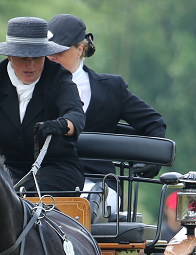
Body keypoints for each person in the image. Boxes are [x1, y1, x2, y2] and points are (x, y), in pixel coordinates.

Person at [0, 17, 86, 195]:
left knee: (32, 200)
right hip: (2, 167)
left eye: (37, 58)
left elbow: (75, 114)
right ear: (9, 56)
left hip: (55, 168)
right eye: (23, 58)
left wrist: (61, 125)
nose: (31, 65)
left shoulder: (59, 77)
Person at [47, 14, 166, 180]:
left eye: (59, 50)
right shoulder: (31, 86)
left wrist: (154, 158)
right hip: (44, 181)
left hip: (97, 183)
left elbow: (154, 122)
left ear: (79, 50)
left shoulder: (110, 88)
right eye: (48, 50)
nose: (51, 56)